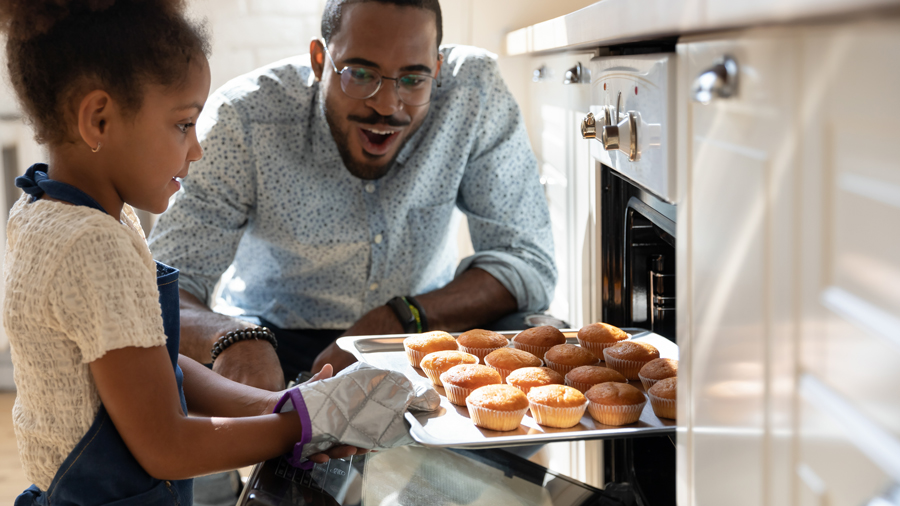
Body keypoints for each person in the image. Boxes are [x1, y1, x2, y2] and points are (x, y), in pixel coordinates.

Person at [0, 1, 431, 503]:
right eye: (184, 124)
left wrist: (280, 405)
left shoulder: (45, 211)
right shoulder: (93, 245)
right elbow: (167, 445)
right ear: (98, 119)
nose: (197, 149)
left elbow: (155, 371)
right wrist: (307, 424)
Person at [148, 0, 557, 391]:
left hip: (421, 329)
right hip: (271, 339)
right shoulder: (244, 118)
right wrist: (233, 337)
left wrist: (400, 316)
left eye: (414, 79)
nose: (386, 105)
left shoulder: (474, 91)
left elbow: (527, 261)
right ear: (319, 60)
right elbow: (159, 288)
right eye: (361, 74)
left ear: (437, 68)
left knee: (540, 340)